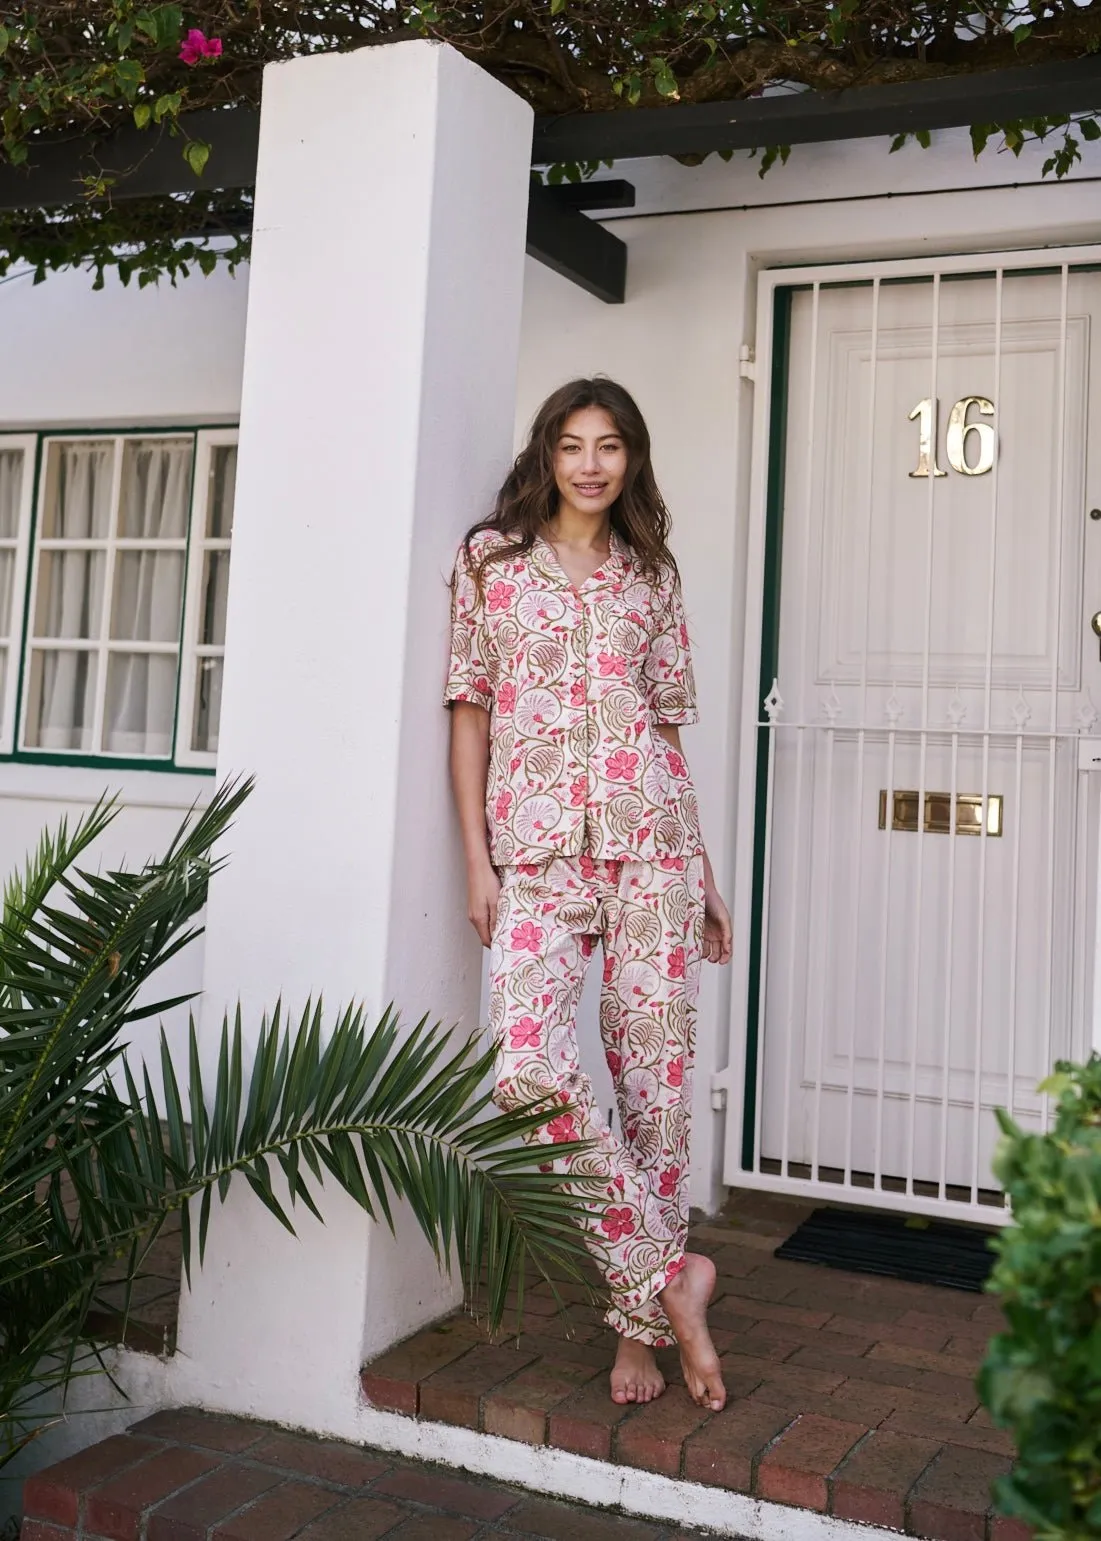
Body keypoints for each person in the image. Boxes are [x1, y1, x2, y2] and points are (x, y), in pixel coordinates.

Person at [445, 377, 732, 1413]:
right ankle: (669, 1275)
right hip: (537, 854)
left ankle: (640, 1327)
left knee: (654, 1087)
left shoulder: (652, 577)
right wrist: (478, 862)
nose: (591, 463)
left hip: (651, 848)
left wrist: (703, 875)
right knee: (528, 1070)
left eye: (610, 445)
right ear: (547, 455)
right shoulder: (491, 562)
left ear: (632, 458)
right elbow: (470, 709)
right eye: (573, 444)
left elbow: (664, 732)